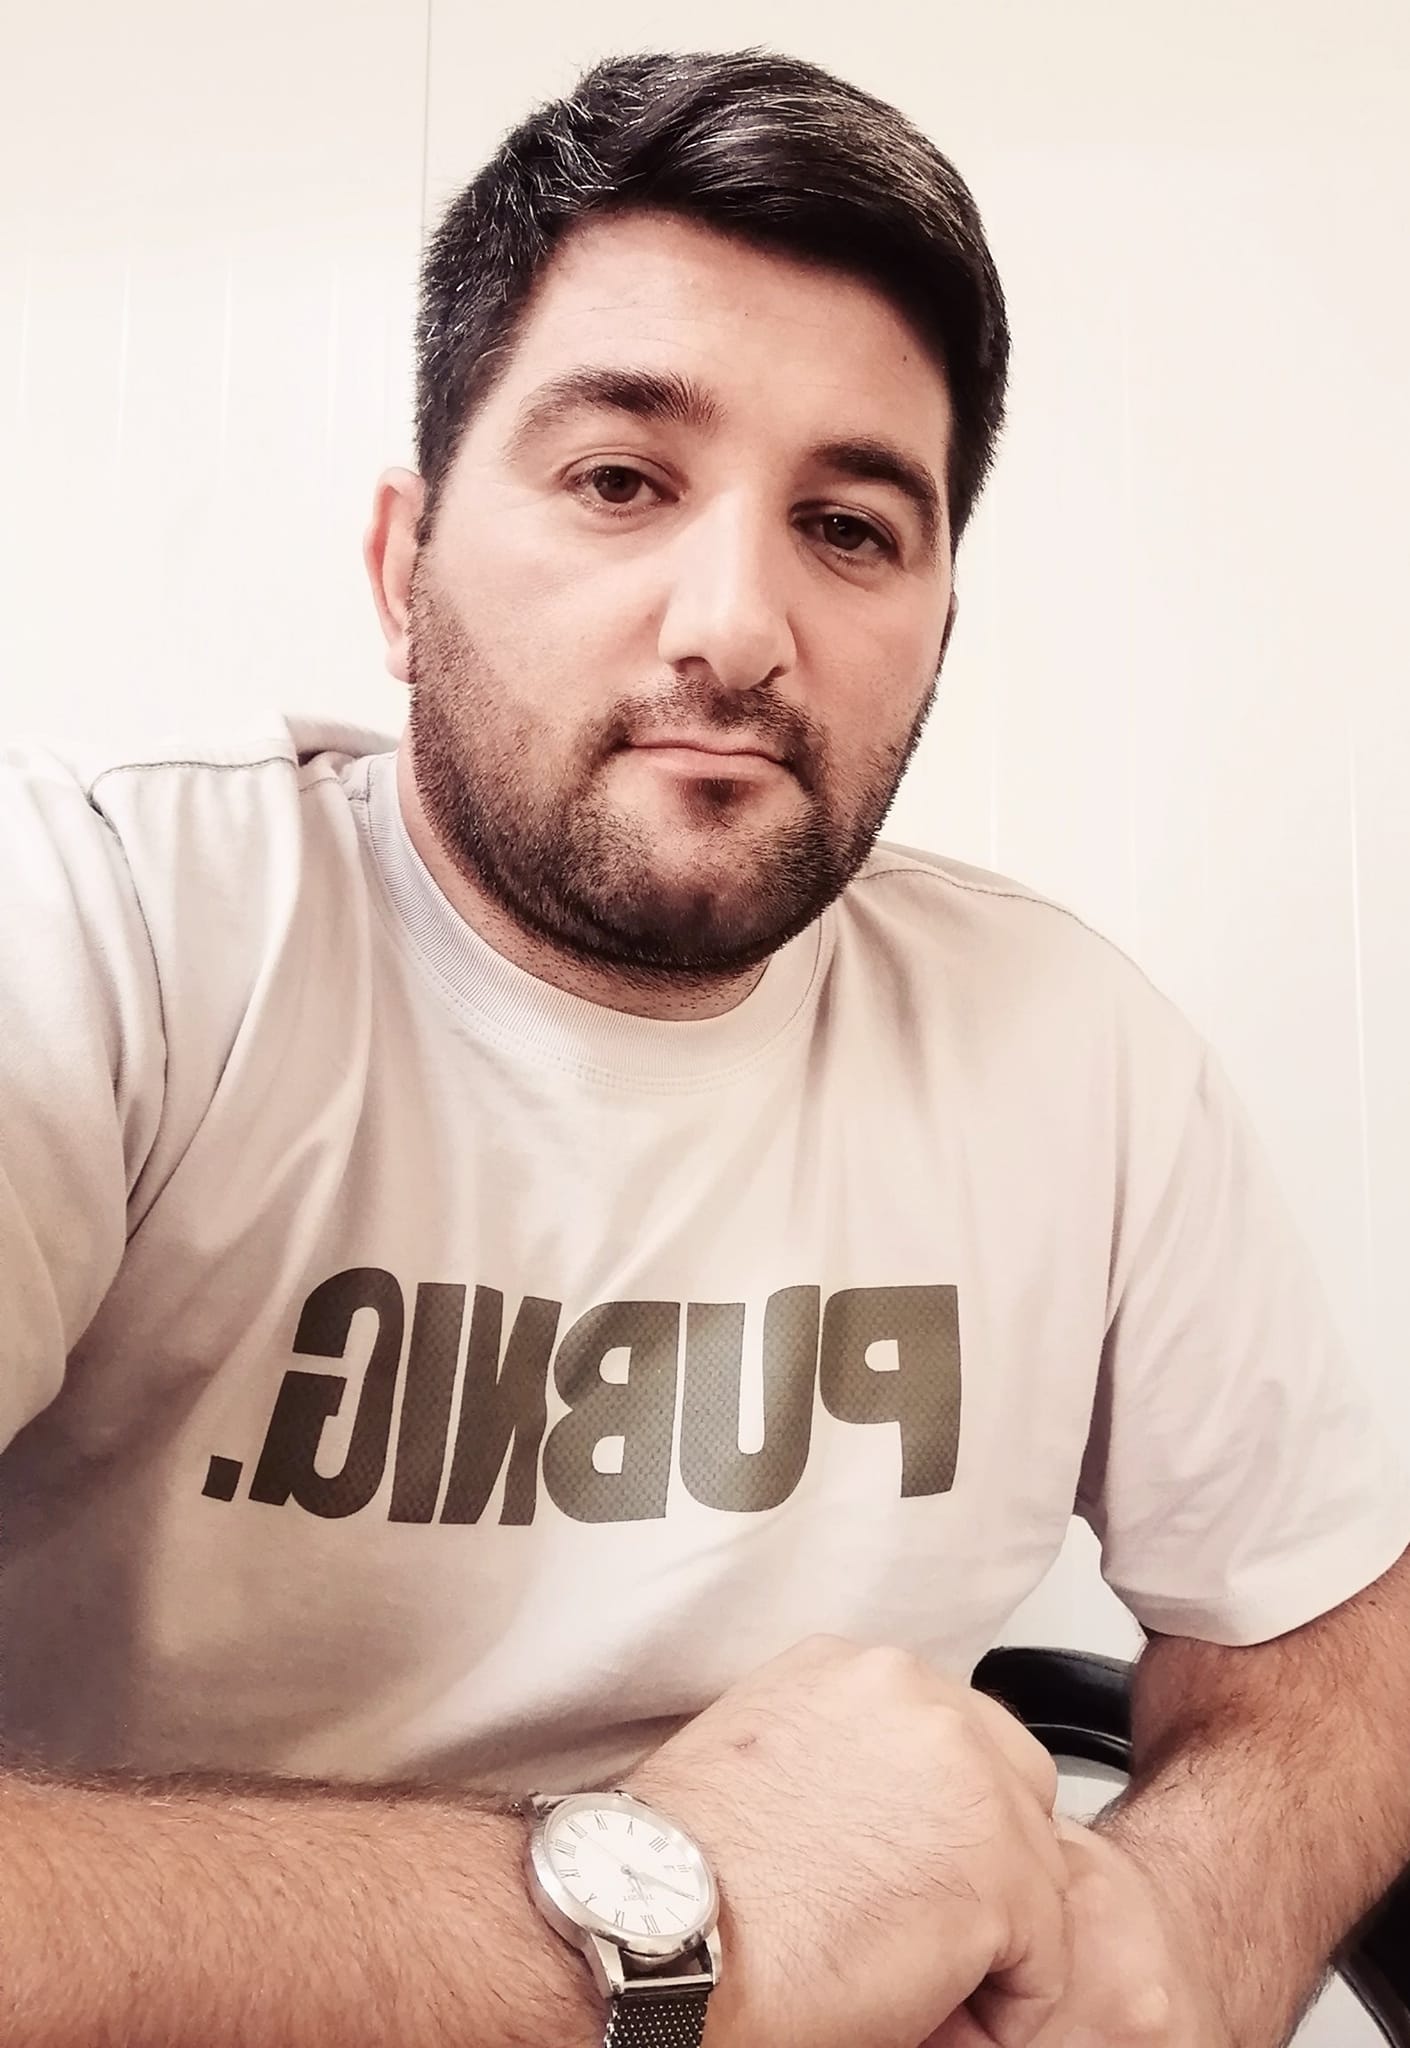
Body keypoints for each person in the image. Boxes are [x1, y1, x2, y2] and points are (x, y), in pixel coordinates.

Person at [1, 43, 1407, 2048]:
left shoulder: (1071, 1052)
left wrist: (1179, 1933)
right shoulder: (100, 929)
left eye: (848, 525)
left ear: (936, 626)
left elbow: (1334, 1637)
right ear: (403, 566)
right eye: (620, 481)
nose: (736, 626)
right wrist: (662, 1929)